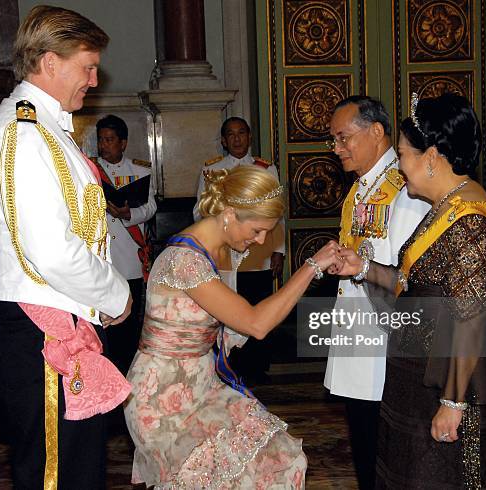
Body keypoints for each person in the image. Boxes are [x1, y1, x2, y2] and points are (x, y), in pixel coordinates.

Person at [0, 6, 132, 489]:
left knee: (76, 471)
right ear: (48, 62)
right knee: (55, 476)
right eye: (86, 66)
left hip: (54, 323)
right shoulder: (23, 133)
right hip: (38, 329)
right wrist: (116, 295)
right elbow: (50, 249)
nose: (92, 78)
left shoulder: (46, 129)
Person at [336, 93, 486, 488]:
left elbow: (470, 320)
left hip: (456, 381)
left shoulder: (469, 223)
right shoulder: (444, 206)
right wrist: (364, 267)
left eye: (402, 155)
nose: (399, 167)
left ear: (431, 157)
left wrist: (452, 404)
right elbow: (413, 283)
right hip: (420, 374)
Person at [124, 165, 343, 488]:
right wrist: (310, 268)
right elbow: (255, 324)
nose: (261, 240)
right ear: (228, 214)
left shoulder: (223, 251)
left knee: (281, 457)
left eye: (267, 232)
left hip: (203, 384)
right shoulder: (184, 260)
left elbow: (232, 325)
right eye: (256, 230)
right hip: (161, 397)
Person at [323, 95, 430, 489]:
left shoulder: (405, 190)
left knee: (386, 452)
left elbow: (411, 278)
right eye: (333, 140)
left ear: (376, 132)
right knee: (366, 445)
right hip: (359, 337)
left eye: (343, 138)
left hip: (385, 345)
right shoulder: (363, 188)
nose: (337, 149)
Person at [193, 116, 285, 383]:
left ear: (249, 136)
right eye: (230, 134)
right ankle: (229, 364)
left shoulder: (266, 169)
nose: (236, 139)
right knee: (228, 308)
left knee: (258, 304)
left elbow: (276, 214)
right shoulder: (212, 170)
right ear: (223, 140)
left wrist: (278, 250)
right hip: (224, 254)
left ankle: (257, 367)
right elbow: (200, 211)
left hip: (257, 254)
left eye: (241, 133)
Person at [93, 114, 156, 374]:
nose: (104, 146)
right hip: (103, 258)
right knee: (105, 320)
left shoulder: (140, 171)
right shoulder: (91, 171)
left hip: (129, 257)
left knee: (129, 323)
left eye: (109, 140)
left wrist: (128, 214)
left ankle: (129, 371)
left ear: (123, 143)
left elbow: (151, 207)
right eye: (100, 140)